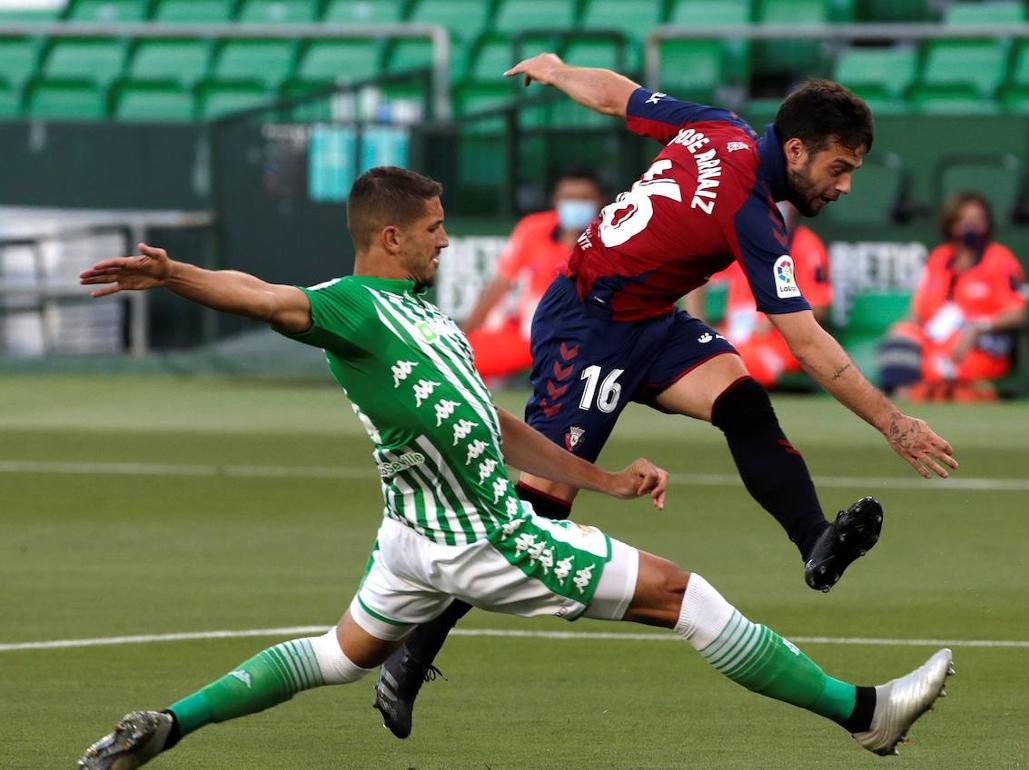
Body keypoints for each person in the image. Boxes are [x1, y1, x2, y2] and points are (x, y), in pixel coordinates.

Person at [74, 167, 954, 768]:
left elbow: (494, 426)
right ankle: (867, 716)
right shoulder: (350, 310)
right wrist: (177, 273)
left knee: (337, 657)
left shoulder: (429, 322)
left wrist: (604, 481)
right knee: (689, 599)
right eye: (433, 230)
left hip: (409, 542)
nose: (447, 242)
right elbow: (263, 296)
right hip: (486, 538)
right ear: (389, 237)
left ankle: (169, 726)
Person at [374, 54, 958, 738]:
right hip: (586, 326)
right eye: (840, 167)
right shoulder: (751, 208)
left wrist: (562, 71)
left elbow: (621, 96)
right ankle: (413, 651)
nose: (846, 184)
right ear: (796, 149)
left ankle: (815, 541)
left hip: (651, 322)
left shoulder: (718, 128)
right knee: (538, 508)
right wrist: (893, 423)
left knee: (743, 402)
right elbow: (806, 344)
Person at [875, 192, 1029, 402]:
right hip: (936, 340)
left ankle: (950, 394)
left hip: (979, 342)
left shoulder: (1000, 259)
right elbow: (917, 312)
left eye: (977, 221)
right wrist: (903, 332)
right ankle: (902, 409)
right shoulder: (939, 257)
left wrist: (977, 328)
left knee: (936, 366)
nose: (970, 228)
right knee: (901, 338)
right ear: (950, 224)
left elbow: (1017, 313)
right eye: (963, 221)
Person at [461, 169, 605, 383]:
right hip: (529, 336)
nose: (576, 204)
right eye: (569, 198)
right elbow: (499, 284)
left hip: (587, 339)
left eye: (584, 198)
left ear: (599, 201)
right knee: (460, 358)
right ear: (555, 200)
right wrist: (463, 335)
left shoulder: (612, 236)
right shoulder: (533, 228)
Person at [697, 201, 833, 390]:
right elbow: (701, 279)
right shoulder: (740, 241)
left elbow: (819, 308)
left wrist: (777, 317)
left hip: (779, 343)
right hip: (732, 335)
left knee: (739, 363)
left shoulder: (805, 244)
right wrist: (703, 324)